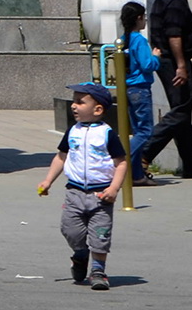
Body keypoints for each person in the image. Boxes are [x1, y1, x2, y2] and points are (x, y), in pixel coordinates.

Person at [36, 82, 128, 291]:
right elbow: (61, 157)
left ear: (98, 109)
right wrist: (48, 180)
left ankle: (98, 271)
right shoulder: (72, 132)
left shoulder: (107, 134)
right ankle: (80, 255)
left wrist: (114, 188)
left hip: (101, 194)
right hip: (74, 193)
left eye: (80, 102)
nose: (73, 106)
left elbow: (121, 163)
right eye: (74, 102)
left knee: (100, 235)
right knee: (70, 231)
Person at [135, 0, 192, 180]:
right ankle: (142, 155)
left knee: (181, 112)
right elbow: (174, 35)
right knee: (181, 111)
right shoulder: (175, 0)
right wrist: (181, 66)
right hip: (175, 62)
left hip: (169, 61)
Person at [120, 1, 159, 185]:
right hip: (141, 88)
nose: (145, 21)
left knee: (137, 130)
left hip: (127, 88)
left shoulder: (123, 39)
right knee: (145, 131)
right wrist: (156, 57)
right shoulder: (139, 40)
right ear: (138, 18)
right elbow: (147, 65)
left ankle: (136, 175)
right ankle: (123, 159)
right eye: (143, 17)